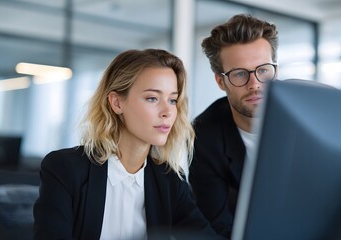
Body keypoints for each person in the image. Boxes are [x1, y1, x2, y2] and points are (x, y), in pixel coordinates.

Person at [33, 49, 225, 240]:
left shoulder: (169, 181)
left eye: (172, 100)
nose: (167, 111)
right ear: (117, 103)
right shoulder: (65, 169)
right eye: (152, 98)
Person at [188, 14, 279, 238]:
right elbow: (219, 227)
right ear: (221, 82)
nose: (255, 83)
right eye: (240, 74)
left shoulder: (307, 119)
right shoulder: (203, 137)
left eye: (263, 70)